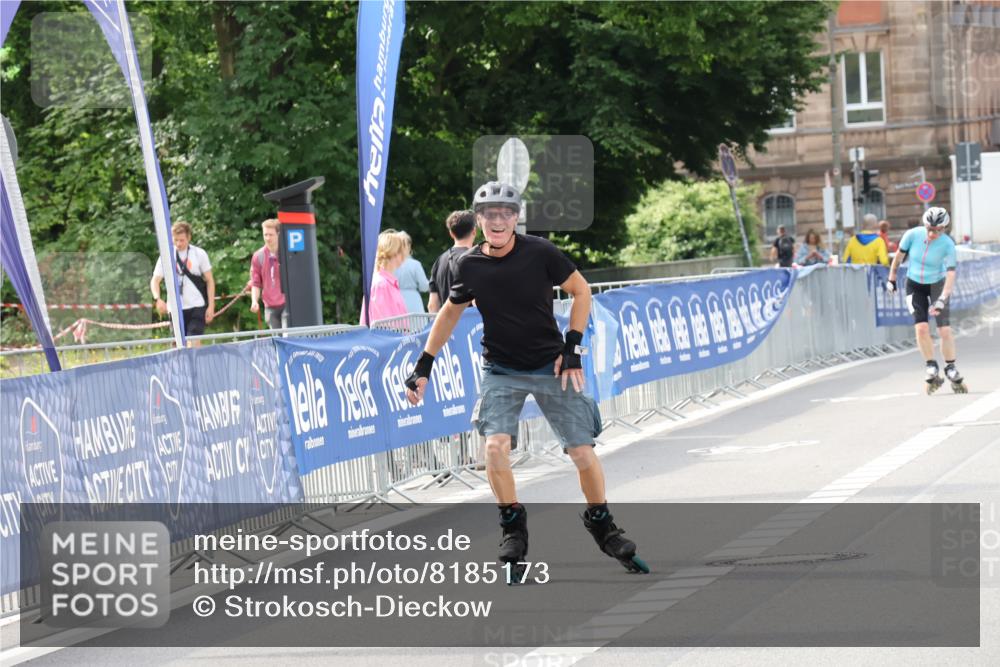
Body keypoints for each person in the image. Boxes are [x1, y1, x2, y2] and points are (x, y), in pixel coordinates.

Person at [403, 182, 648, 577]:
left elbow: (581, 291)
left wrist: (572, 347)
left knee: (581, 451)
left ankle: (602, 523)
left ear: (516, 218)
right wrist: (423, 366)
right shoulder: (469, 265)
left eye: (506, 214)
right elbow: (449, 312)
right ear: (478, 220)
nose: (498, 222)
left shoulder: (540, 252)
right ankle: (513, 526)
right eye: (490, 215)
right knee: (494, 448)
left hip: (551, 366)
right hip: (501, 370)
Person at [885, 206, 966, 394]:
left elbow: (951, 274)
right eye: (929, 229)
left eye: (937, 230)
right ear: (925, 225)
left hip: (938, 285)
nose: (932, 234)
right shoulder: (912, 235)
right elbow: (898, 258)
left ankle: (950, 367)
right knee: (921, 328)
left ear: (944, 229)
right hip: (914, 285)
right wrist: (892, 279)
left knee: (944, 329)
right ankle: (931, 365)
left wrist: (943, 298)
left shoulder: (948, 244)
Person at [150, 221, 214, 347]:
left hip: (197, 305)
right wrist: (157, 299)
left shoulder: (199, 254)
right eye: (176, 240)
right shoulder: (166, 256)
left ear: (189, 237)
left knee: (193, 341)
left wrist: (211, 306)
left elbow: (210, 280)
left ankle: (194, 360)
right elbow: (155, 280)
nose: (178, 243)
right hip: (175, 308)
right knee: (179, 345)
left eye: (182, 240)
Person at [428, 210, 476, 314]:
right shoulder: (476, 259)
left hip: (447, 322)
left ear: (451, 233)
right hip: (472, 323)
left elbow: (432, 305)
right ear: (474, 231)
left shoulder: (439, 261)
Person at [360, 229, 408, 326]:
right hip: (391, 335)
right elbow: (385, 326)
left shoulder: (386, 283)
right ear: (393, 252)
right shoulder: (381, 285)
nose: (404, 255)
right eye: (401, 250)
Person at [249, 218, 287, 330]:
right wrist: (254, 301)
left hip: (287, 304)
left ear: (278, 234)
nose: (268, 238)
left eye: (271, 235)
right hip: (270, 306)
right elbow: (255, 283)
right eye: (265, 235)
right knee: (276, 338)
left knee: (287, 335)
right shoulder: (258, 256)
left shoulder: (287, 253)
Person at [394, 231, 430, 314]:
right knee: (416, 322)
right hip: (413, 301)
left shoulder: (389, 264)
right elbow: (424, 287)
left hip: (394, 299)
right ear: (408, 246)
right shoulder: (415, 264)